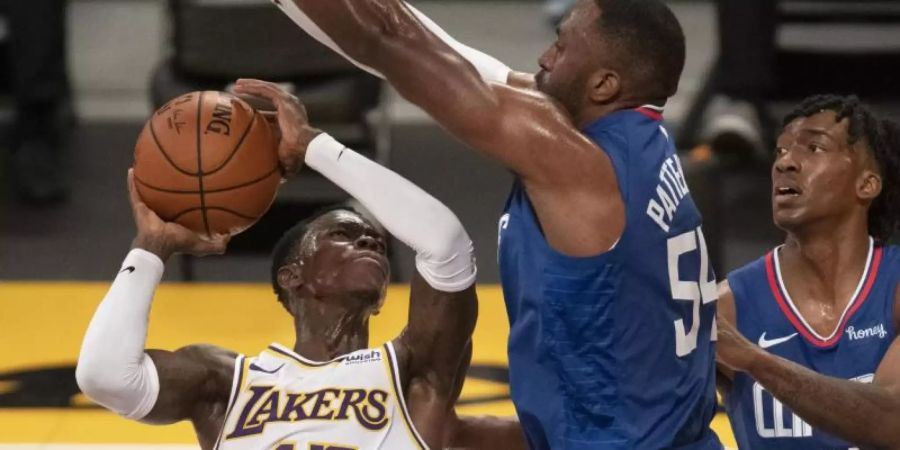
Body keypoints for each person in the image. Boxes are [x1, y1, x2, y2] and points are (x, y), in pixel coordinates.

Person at [257, 0, 721, 448]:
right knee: (429, 434)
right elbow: (449, 59)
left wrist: (312, 147)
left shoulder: (577, 165)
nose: (544, 57)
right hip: (647, 431)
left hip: (611, 440)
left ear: (603, 84)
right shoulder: (643, 144)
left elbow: (390, 41)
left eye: (560, 46)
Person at [75, 84, 479, 450]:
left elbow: (445, 244)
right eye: (342, 233)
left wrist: (314, 146)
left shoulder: (413, 372)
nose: (370, 240)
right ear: (293, 275)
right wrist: (150, 248)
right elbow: (104, 378)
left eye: (373, 240)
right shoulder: (226, 381)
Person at [716, 95, 900, 449]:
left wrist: (757, 362)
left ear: (867, 184)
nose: (786, 162)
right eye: (780, 151)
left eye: (813, 148)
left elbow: (892, 423)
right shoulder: (728, 308)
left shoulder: (893, 291)